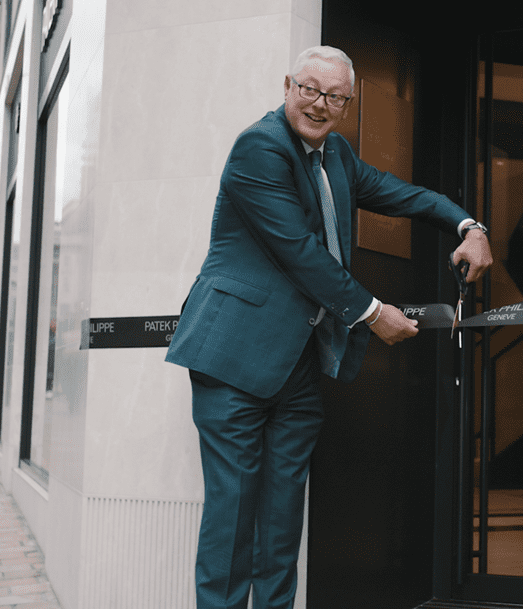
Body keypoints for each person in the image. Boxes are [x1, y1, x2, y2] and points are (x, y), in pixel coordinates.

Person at [165, 45, 492, 609]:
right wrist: (372, 313)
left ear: (348, 103)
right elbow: (300, 252)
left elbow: (399, 193)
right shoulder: (259, 147)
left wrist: (468, 223)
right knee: (234, 514)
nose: (319, 104)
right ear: (288, 84)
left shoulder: (335, 153)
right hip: (234, 359)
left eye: (334, 96)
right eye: (309, 90)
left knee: (283, 519)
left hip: (298, 366)